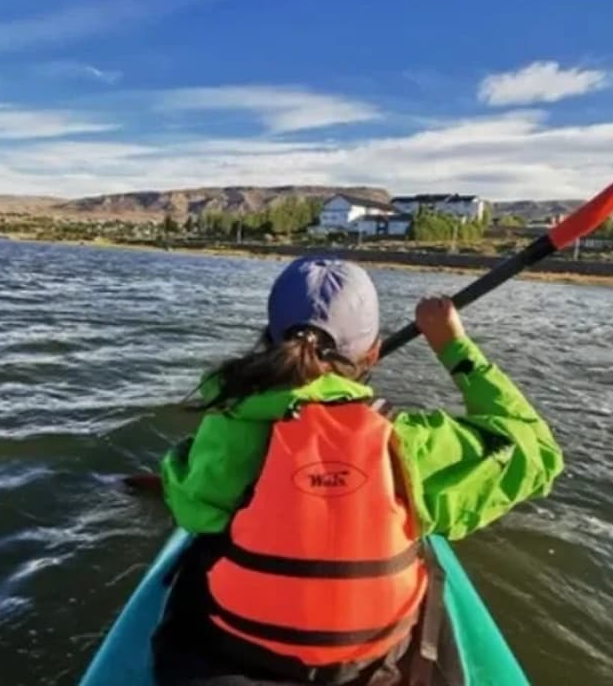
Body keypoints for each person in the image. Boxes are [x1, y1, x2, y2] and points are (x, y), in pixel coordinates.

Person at [152, 256, 563, 686]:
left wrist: (181, 460)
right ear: (373, 353)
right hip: (371, 671)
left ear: (269, 339)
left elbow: (191, 509)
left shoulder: (233, 421)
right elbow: (538, 449)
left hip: (236, 658)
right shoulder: (407, 442)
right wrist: (454, 348)